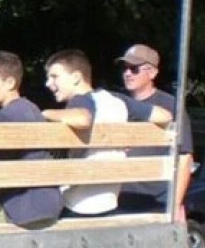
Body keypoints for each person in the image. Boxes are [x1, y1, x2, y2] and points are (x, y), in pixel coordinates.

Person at [43, 48, 177, 217]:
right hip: (109, 203)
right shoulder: (116, 99)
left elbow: (83, 119)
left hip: (77, 204)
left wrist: (44, 114)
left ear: (76, 77)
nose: (48, 83)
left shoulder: (79, 100)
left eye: (55, 77)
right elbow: (164, 115)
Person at [0, 51, 62, 228]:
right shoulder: (32, 109)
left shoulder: (6, 116)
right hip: (50, 204)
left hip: (21, 208)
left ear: (10, 83)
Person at [115, 44, 194, 220]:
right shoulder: (116, 104)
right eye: (125, 68)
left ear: (152, 73)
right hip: (119, 201)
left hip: (156, 203)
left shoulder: (171, 106)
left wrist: (174, 205)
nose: (127, 73)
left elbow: (184, 159)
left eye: (134, 69)